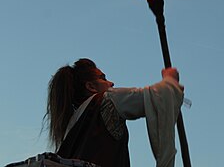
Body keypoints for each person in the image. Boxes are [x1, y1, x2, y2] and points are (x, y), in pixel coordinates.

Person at [44, 58, 184, 167]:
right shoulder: (106, 100)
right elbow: (156, 95)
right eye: (103, 78)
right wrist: (170, 80)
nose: (111, 83)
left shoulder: (72, 130)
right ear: (91, 86)